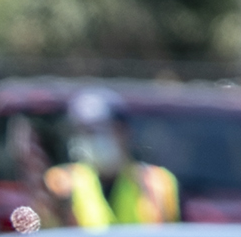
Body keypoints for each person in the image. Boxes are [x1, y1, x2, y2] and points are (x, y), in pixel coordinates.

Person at [45, 88, 176, 229]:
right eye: (82, 132)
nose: (90, 139)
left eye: (97, 130)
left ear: (123, 131)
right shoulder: (61, 182)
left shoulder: (156, 182)